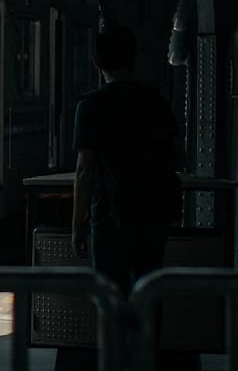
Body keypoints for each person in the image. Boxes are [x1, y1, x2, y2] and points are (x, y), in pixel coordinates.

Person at [71, 27, 183, 296]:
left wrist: (77, 223)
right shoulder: (155, 101)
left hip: (109, 216)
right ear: (134, 60)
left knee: (110, 295)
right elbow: (179, 155)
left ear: (96, 62)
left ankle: (114, 339)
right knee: (149, 290)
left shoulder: (91, 106)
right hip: (152, 214)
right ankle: (146, 338)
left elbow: (84, 169)